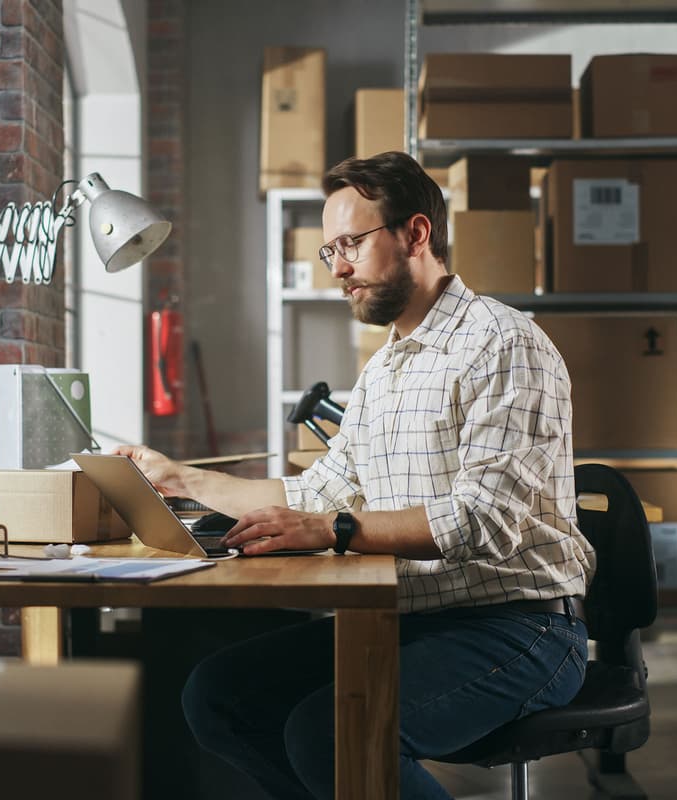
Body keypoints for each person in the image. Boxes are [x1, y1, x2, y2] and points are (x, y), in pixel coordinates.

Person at [117, 150, 596, 800]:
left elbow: (481, 521)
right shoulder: (384, 371)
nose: (338, 267)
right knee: (217, 695)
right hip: (408, 616)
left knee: (329, 733)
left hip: (519, 626)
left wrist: (331, 528)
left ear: (416, 234)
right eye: (329, 251)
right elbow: (315, 494)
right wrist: (176, 479)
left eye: (351, 244)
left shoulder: (504, 345)